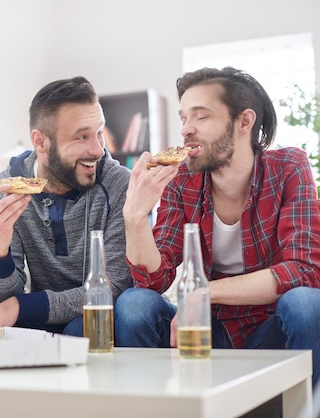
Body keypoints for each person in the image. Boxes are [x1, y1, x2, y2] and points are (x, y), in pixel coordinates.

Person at [115, 66, 320, 387]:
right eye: (183, 118)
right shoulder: (182, 179)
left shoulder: (289, 167)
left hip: (270, 328)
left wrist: (203, 293)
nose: (185, 129)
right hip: (207, 331)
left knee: (307, 303)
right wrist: (135, 218)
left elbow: (304, 270)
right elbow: (155, 279)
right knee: (133, 303)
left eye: (201, 116)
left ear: (244, 121)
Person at [0, 76, 133, 335]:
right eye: (82, 137)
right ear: (40, 142)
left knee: (78, 330)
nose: (97, 150)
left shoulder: (118, 185)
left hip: (92, 312)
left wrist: (22, 305)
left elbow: (114, 286)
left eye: (99, 133)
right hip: (37, 317)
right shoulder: (6, 188)